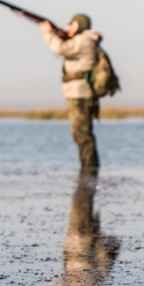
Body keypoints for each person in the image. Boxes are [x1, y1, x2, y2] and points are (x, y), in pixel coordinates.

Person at [39, 14, 101, 175]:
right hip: (76, 93)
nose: (68, 28)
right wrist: (59, 34)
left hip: (81, 95)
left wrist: (48, 33)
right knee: (80, 134)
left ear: (80, 25)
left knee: (82, 135)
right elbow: (65, 49)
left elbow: (61, 49)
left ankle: (90, 171)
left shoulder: (84, 41)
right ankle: (88, 170)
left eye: (72, 25)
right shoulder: (79, 40)